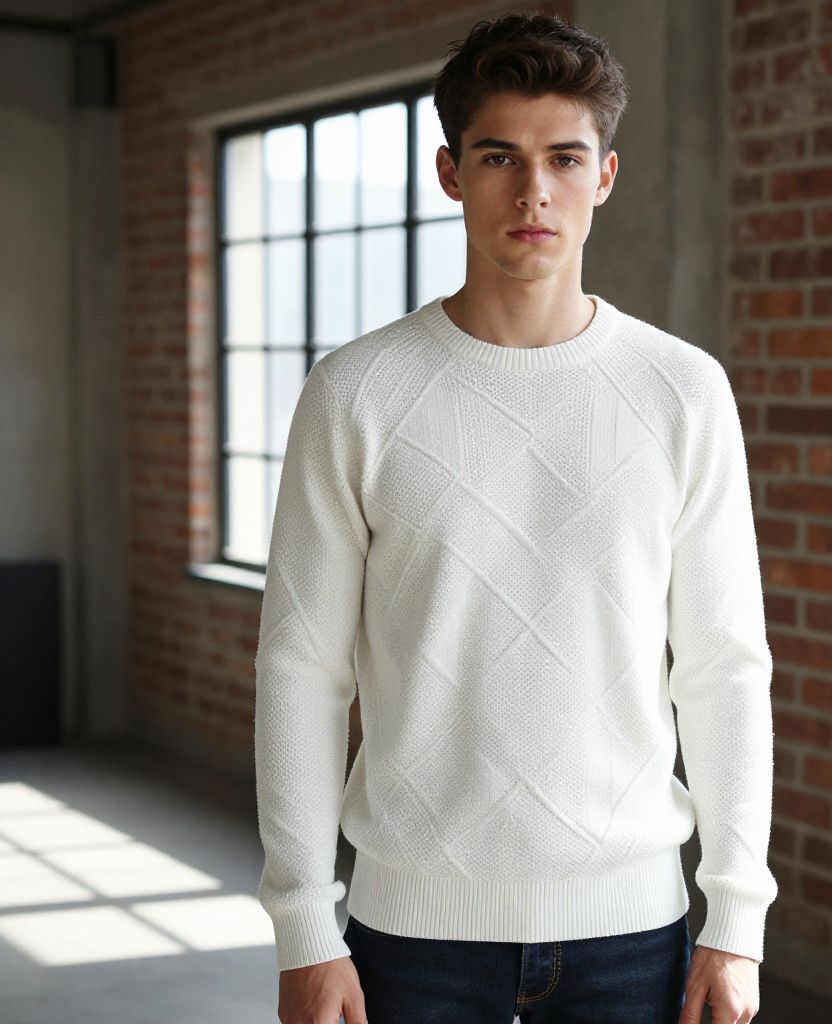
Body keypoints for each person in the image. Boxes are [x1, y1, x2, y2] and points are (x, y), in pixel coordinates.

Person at [253, 10, 778, 1024]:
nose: (533, 191)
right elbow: (302, 670)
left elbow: (722, 667)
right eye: (499, 156)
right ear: (450, 172)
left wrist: (735, 920)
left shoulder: (681, 390)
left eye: (564, 158)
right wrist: (303, 925)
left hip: (635, 930)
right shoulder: (356, 390)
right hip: (409, 936)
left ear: (605, 178)